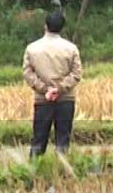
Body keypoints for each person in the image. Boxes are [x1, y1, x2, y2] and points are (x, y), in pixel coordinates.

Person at [22, 9, 83, 158]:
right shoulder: (71, 48)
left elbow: (28, 73)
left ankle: (34, 172)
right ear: (62, 27)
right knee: (63, 140)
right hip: (66, 100)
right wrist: (59, 89)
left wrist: (45, 90)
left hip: (43, 100)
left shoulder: (32, 48)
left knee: (39, 140)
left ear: (45, 26)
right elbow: (76, 73)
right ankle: (61, 171)